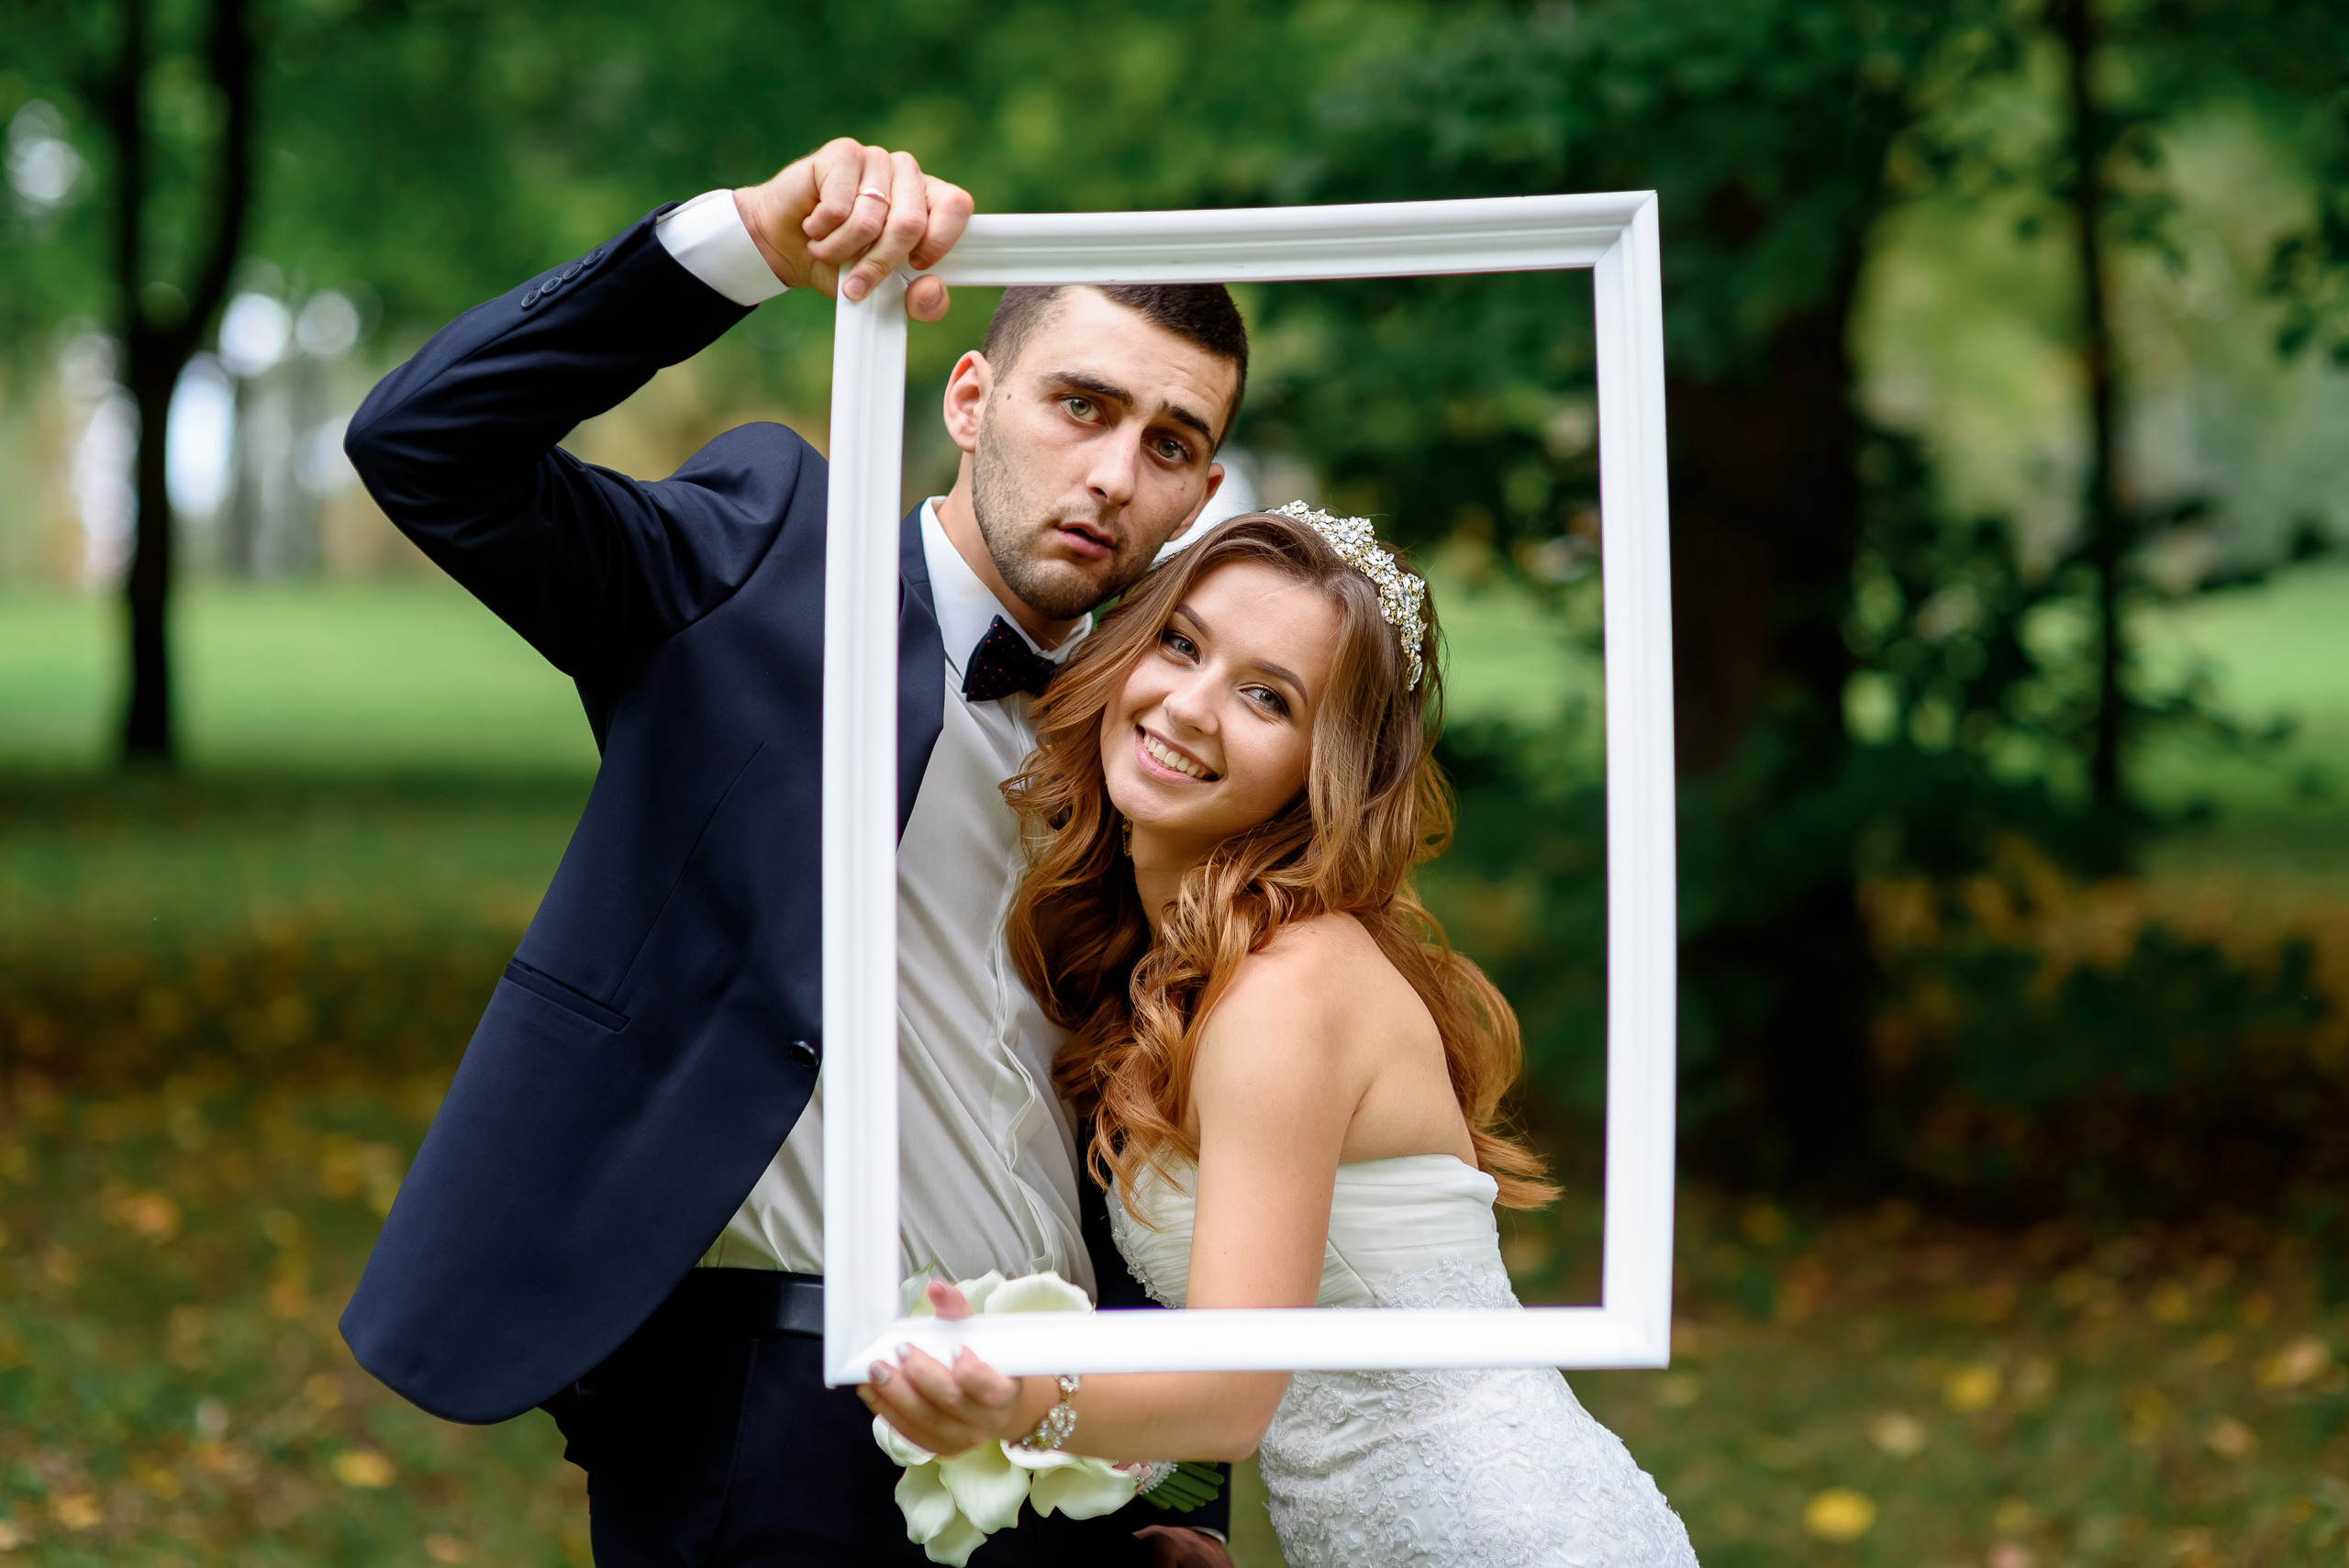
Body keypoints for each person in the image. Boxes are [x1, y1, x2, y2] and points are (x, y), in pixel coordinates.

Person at [338, 137, 1238, 1566]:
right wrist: (749, 239)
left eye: (1172, 443)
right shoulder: (760, 569)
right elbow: (423, 444)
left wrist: (1183, 1491)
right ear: (971, 394)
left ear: (1201, 491)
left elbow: (1150, 1107)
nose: (1117, 473)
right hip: (773, 1412)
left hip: (1074, 1451)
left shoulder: (1168, 742)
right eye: (1083, 405)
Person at [859, 506, 1701, 1566]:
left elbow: (1231, 1388)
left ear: (1323, 766)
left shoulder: (1287, 988)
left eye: (1267, 696)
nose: (1191, 705)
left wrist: (1011, 1393)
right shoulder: (1181, 972)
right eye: (1180, 643)